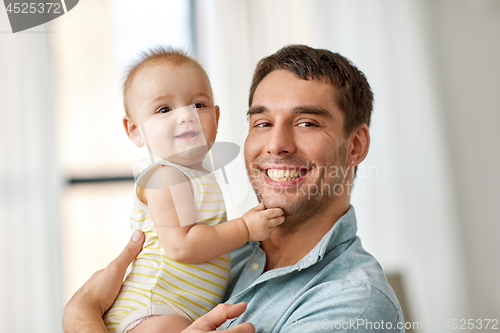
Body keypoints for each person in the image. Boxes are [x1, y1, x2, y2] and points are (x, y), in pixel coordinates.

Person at [63, 45, 405, 332]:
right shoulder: (229, 248)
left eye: (306, 123)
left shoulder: (354, 302)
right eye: (262, 123)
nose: (277, 144)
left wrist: (81, 314)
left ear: (356, 146)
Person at [102, 48, 285, 333]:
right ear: (135, 130)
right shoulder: (165, 177)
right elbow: (181, 245)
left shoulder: (197, 177)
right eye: (164, 109)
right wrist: (245, 229)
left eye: (198, 105)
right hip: (152, 310)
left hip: (181, 313)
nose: (186, 116)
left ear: (216, 116)